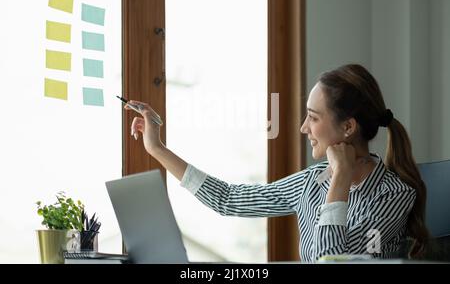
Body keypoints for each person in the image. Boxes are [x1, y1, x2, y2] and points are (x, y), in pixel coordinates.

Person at [125, 64, 428, 262]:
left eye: (313, 117)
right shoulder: (311, 182)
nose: (303, 128)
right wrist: (157, 148)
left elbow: (333, 260)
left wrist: (341, 179)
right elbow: (229, 200)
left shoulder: (393, 194)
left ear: (348, 127)